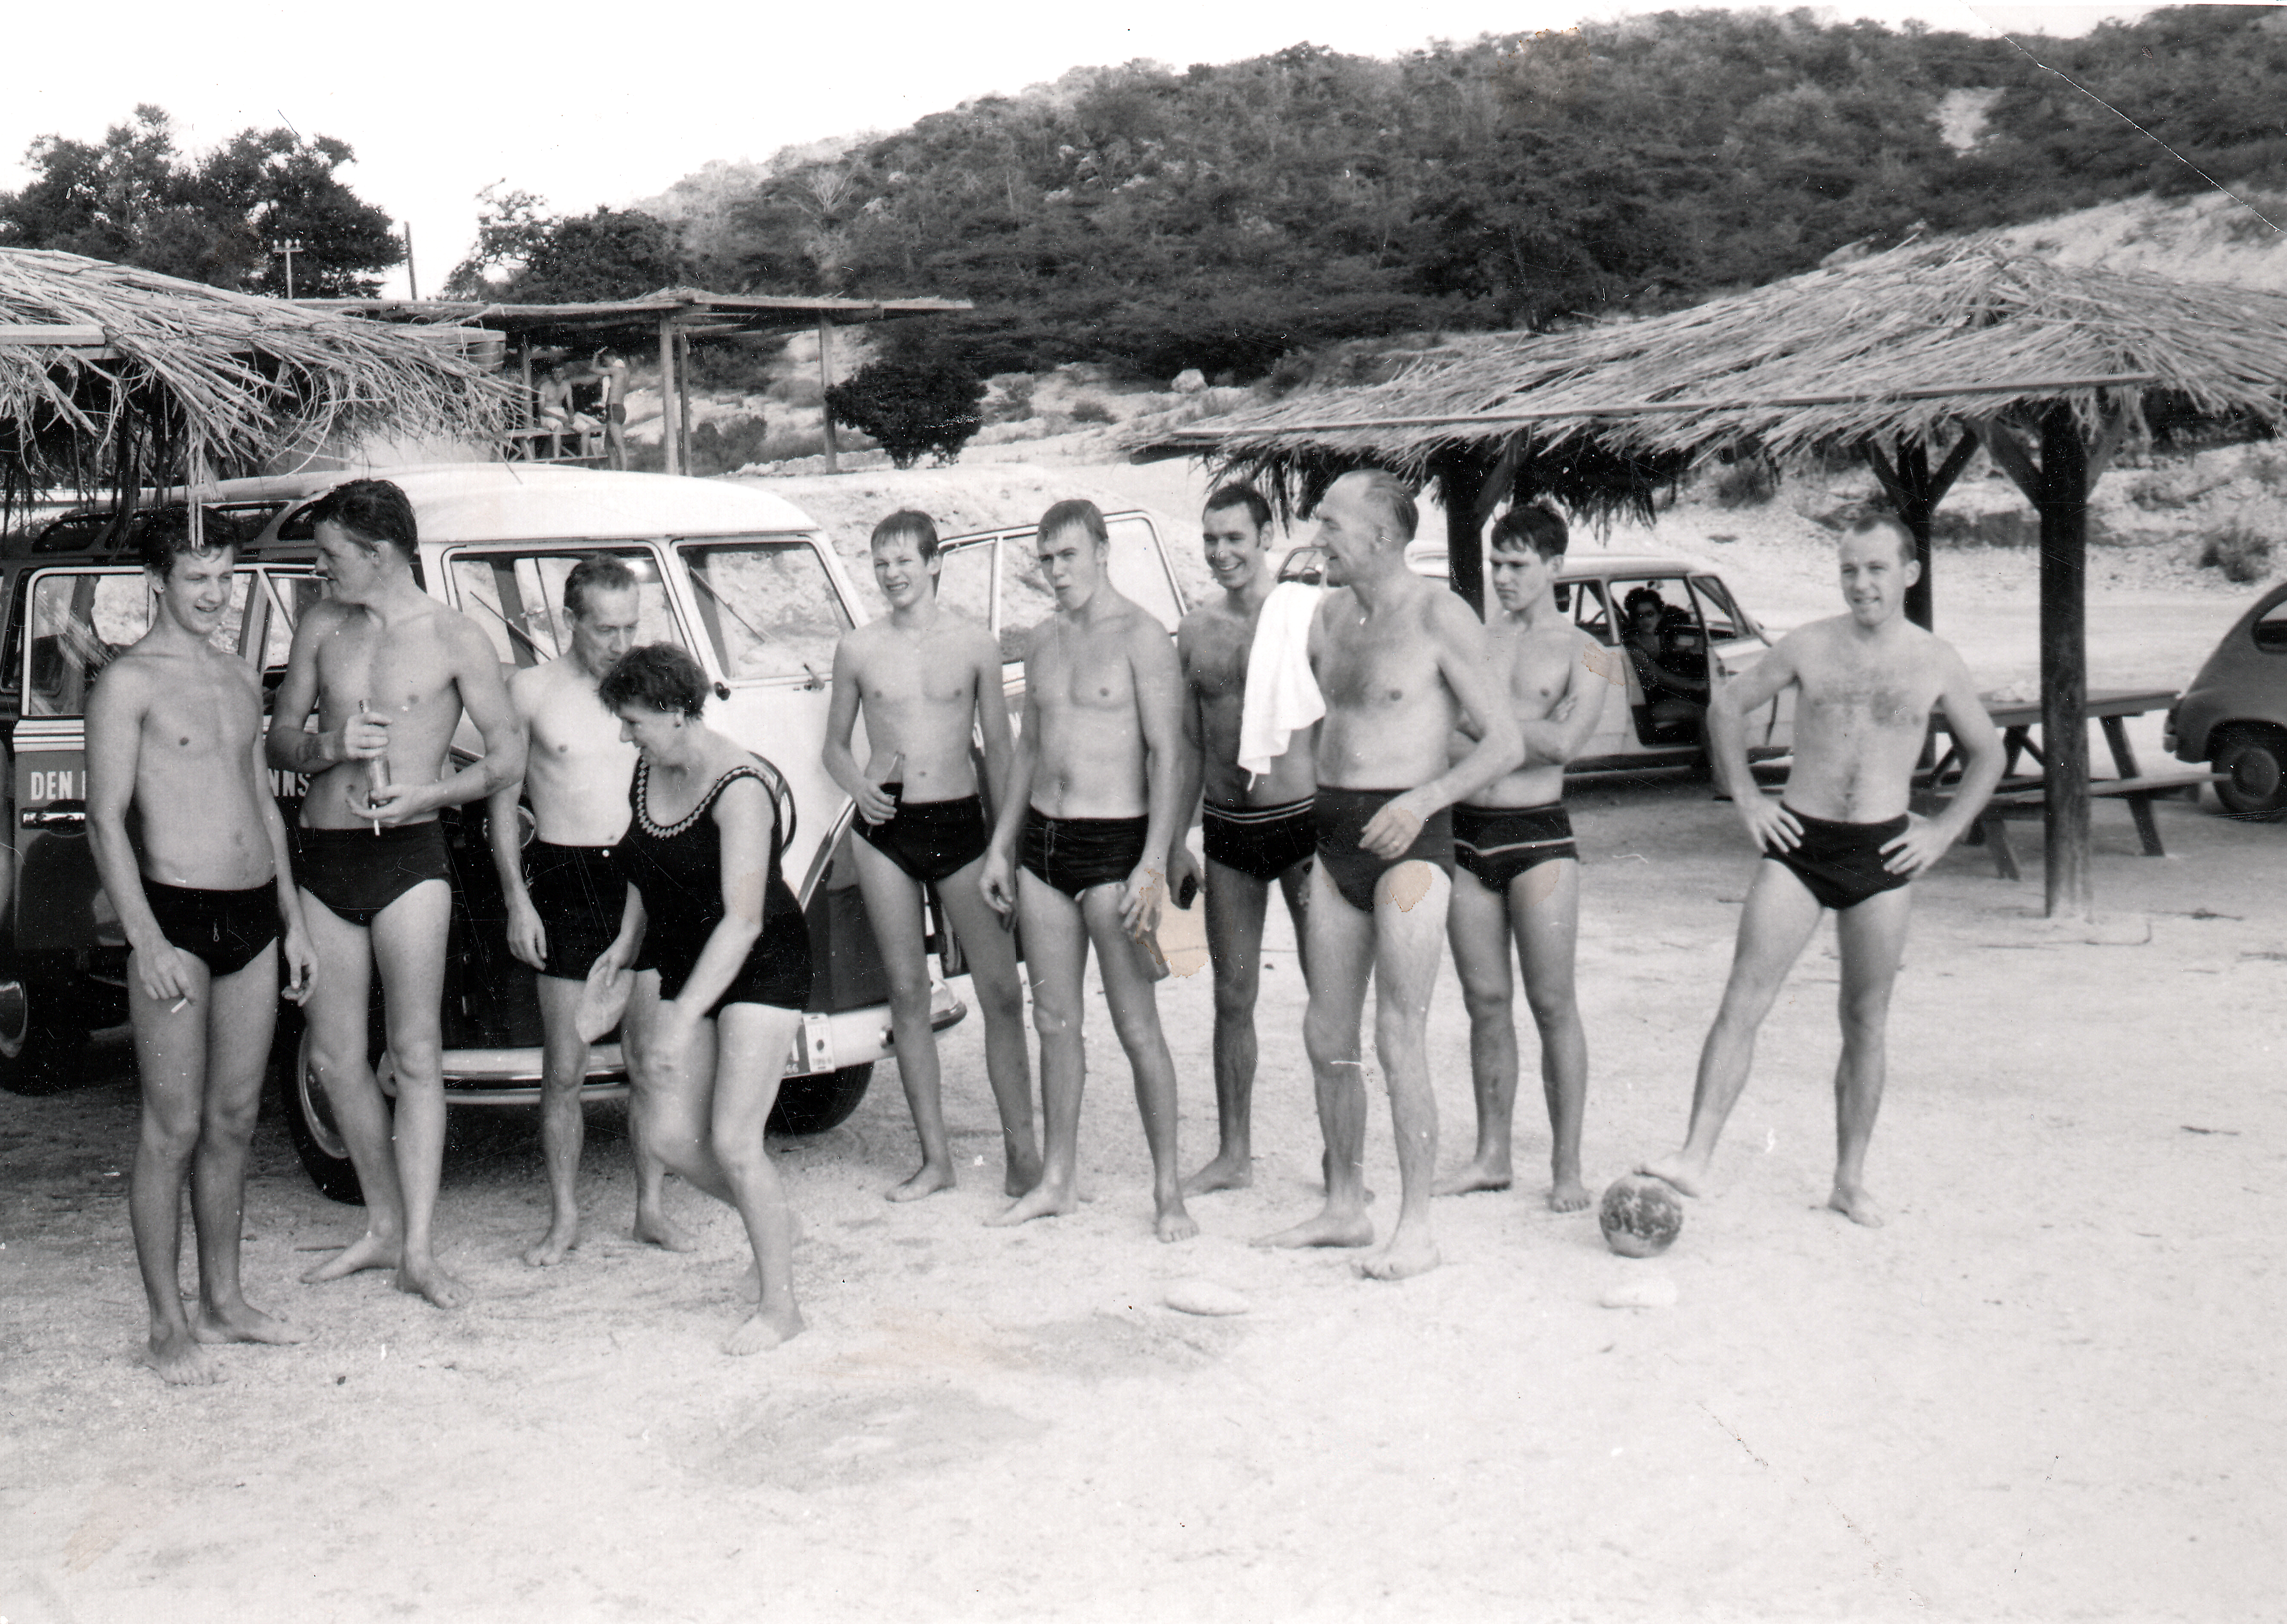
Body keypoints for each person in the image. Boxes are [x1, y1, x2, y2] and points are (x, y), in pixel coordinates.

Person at [1641, 514, 2004, 1226]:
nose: (1862, 584)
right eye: (1849, 570)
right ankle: (1695, 1156)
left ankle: (1849, 1180)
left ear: (1909, 573)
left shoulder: (1936, 660)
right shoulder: (1809, 644)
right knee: (1744, 997)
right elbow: (1727, 707)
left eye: (1876, 569)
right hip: (1801, 845)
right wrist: (1749, 798)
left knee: (1865, 1018)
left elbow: (1987, 753)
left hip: (1883, 852)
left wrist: (1943, 831)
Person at [1257, 470, 1520, 1279]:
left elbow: (1505, 742)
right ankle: (1346, 1206)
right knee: (1326, 1034)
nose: (1318, 536)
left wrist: (1425, 798)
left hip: (1412, 846)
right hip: (1335, 840)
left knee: (1398, 1034)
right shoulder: (1329, 616)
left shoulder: (1440, 613)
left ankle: (1418, 1228)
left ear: (1381, 535)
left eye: (1331, 523)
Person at [268, 479, 524, 1310]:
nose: (321, 569)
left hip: (412, 856)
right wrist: (330, 745)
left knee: (414, 1055)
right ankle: (381, 1225)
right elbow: (278, 740)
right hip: (327, 856)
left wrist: (428, 796)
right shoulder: (320, 625)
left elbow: (507, 759)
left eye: (331, 554)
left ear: (379, 554)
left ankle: (418, 1249)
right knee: (335, 1056)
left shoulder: (455, 635)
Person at [87, 511, 319, 1384]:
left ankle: (224, 1300)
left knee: (233, 1119)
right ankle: (166, 1325)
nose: (216, 595)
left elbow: (262, 804)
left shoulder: (237, 675)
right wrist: (144, 937)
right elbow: (104, 818)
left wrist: (293, 920)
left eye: (225, 577)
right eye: (197, 579)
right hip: (175, 919)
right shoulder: (128, 684)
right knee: (172, 1127)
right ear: (159, 583)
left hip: (254, 913)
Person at [980, 499, 1197, 1242]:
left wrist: (1154, 863)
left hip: (1116, 846)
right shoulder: (1042, 639)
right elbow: (1029, 750)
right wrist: (1001, 845)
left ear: (1103, 551)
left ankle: (1169, 1192)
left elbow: (1169, 755)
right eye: (1046, 559)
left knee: (1138, 1027)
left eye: (1068, 555)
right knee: (1054, 1021)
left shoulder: (1142, 636)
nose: (1056, 570)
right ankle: (1058, 1181)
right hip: (1044, 845)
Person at [594, 644, 811, 1352]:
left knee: (733, 1140)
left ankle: (781, 1309)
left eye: (633, 722)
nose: (624, 735)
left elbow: (744, 920)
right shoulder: (650, 765)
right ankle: (775, 1219)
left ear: (678, 714)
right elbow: (643, 860)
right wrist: (626, 944)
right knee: (667, 1136)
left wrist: (680, 1018)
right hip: (691, 956)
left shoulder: (741, 787)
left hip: (763, 958)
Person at [824, 510, 1039, 1202]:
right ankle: (936, 1161)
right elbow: (834, 747)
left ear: (934, 562)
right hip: (884, 829)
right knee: (907, 993)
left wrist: (1005, 845)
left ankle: (1024, 1159)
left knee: (1001, 993)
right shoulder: (858, 648)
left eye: (903, 562)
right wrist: (858, 787)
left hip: (959, 824)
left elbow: (1000, 752)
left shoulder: (975, 644)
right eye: (880, 564)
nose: (891, 575)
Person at [484, 557, 684, 1265]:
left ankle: (650, 1209)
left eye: (632, 627)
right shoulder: (532, 690)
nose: (621, 644)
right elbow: (501, 806)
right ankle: (564, 1218)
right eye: (605, 629)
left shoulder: (654, 688)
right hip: (565, 879)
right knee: (565, 1069)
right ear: (570, 620)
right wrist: (517, 900)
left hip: (642, 879)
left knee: (650, 1062)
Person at [1439, 505, 1620, 1213]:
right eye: (1496, 564)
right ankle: (1492, 1156)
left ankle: (1567, 1168)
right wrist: (1520, 735)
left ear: (1555, 567)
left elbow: (1565, 745)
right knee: (1485, 1001)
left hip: (1539, 836)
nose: (1504, 577)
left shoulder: (1592, 651)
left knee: (1552, 1003)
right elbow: (1437, 734)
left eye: (1518, 565)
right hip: (1467, 834)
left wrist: (1484, 732)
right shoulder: (1473, 642)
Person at [1171, 483, 1317, 1195]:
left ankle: (1341, 1159)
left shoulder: (1305, 615)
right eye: (1211, 539)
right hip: (1229, 827)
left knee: (1330, 995)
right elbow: (1188, 744)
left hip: (1303, 823)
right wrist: (1176, 839)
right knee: (1232, 997)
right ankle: (1235, 1154)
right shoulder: (1196, 628)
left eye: (1234, 538)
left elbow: (1343, 724)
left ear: (1265, 537)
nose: (1221, 552)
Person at [1623, 586, 1709, 734]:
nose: (1646, 620)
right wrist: (1696, 685)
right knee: (1708, 714)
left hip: (1672, 698)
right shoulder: (1633, 648)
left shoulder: (1661, 638)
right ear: (1634, 619)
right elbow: (1661, 676)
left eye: (1650, 614)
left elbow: (1679, 656)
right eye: (1640, 616)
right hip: (1652, 705)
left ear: (1659, 615)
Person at [592, 350, 631, 470]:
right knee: (608, 446)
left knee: (619, 445)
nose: (606, 363)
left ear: (613, 357)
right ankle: (614, 472)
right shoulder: (626, 372)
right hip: (620, 409)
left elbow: (593, 370)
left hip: (613, 409)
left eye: (606, 360)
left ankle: (624, 474)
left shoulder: (615, 370)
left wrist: (596, 356)